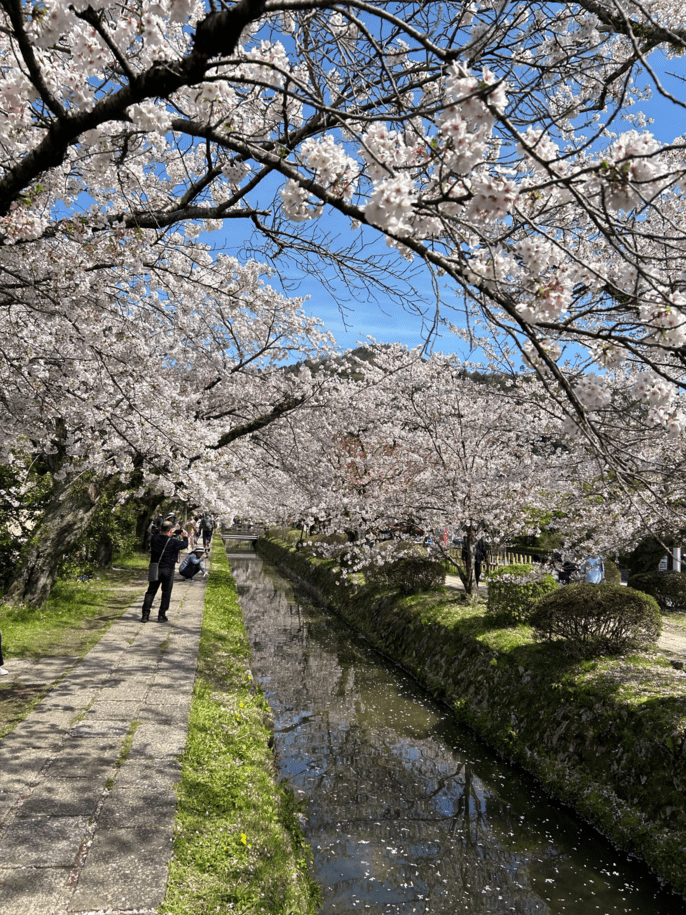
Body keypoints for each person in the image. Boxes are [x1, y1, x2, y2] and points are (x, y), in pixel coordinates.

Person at [141, 521, 188, 622]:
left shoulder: (154, 538)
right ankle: (161, 615)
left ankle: (145, 615)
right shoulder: (173, 542)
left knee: (150, 592)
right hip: (168, 569)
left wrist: (169, 531)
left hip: (155, 568)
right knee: (166, 592)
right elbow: (184, 545)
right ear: (170, 531)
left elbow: (157, 532)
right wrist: (185, 536)